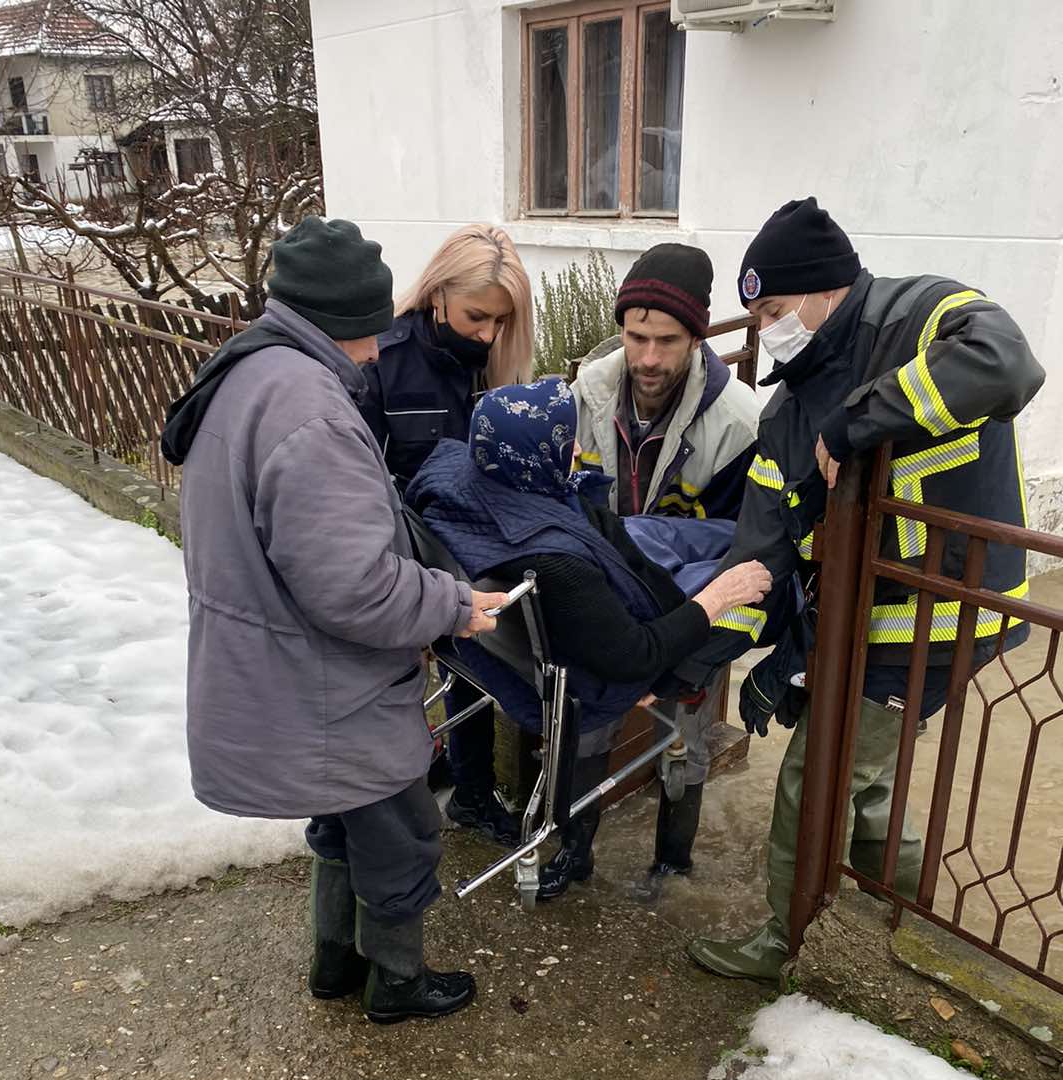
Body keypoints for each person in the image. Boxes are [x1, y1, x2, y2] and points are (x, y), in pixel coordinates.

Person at [672, 197, 1044, 982]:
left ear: (823, 291)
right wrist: (692, 657)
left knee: (821, 773)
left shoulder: (922, 313)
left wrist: (856, 421)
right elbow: (761, 560)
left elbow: (1009, 363)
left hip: (943, 620)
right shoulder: (785, 410)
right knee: (869, 775)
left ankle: (790, 940)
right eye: (755, 312)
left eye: (774, 307)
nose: (767, 326)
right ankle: (901, 916)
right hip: (858, 625)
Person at [161, 216, 509, 1024]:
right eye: (367, 332)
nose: (376, 350)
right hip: (328, 684)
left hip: (281, 666)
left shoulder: (250, 372)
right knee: (398, 830)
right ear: (341, 322)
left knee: (342, 823)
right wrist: (455, 606)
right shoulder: (309, 409)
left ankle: (333, 965)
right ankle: (394, 982)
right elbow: (354, 588)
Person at [407, 377, 771, 897]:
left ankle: (588, 850)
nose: (577, 449)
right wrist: (714, 602)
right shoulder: (559, 564)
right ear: (534, 458)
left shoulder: (456, 475)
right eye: (565, 442)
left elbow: (617, 545)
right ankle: (625, 855)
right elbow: (632, 655)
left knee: (703, 541)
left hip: (500, 639)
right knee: (740, 581)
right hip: (587, 667)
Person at [571, 243, 763, 898]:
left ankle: (672, 865)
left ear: (696, 335)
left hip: (695, 608)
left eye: (667, 341)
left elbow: (743, 547)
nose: (648, 358)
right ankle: (573, 855)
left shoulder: (740, 426)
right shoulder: (587, 396)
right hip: (607, 604)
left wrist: (692, 642)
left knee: (685, 737)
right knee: (587, 724)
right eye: (635, 337)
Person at [361, 225, 534, 848]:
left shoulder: (492, 364)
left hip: (474, 545)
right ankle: (429, 783)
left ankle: (469, 786)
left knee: (477, 668)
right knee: (408, 676)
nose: (488, 333)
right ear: (437, 295)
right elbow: (360, 480)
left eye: (500, 321)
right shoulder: (384, 359)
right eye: (477, 316)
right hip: (404, 551)